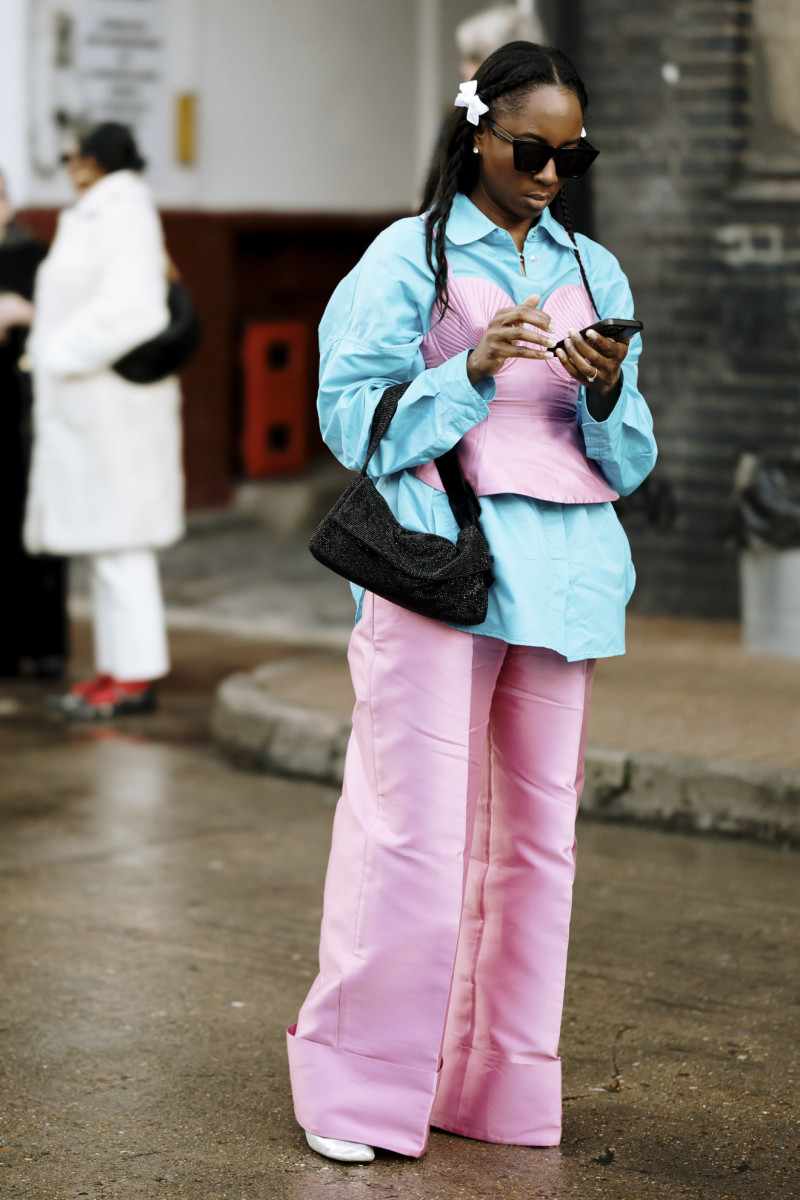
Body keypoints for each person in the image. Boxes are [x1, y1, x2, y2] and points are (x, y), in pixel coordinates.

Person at [287, 42, 657, 1163]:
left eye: (571, 154)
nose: (551, 172)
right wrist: (470, 372)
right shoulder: (410, 255)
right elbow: (349, 420)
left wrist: (600, 394)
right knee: (409, 833)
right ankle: (354, 1092)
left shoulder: (594, 271)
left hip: (566, 579)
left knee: (538, 845)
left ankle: (497, 1087)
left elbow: (630, 456)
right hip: (439, 572)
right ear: (477, 133)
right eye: (531, 149)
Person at [24, 123, 184, 718]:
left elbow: (132, 308)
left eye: (71, 155)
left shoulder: (121, 212)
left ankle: (136, 677)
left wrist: (56, 355)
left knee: (123, 547)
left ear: (93, 160)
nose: (66, 165)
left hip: (113, 411)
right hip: (94, 410)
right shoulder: (99, 212)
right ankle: (117, 668)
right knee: (107, 547)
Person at [0, 171, 69, 678]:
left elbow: (70, 320)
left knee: (38, 523)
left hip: (30, 409)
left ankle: (45, 644)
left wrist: (25, 312)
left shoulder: (39, 256)